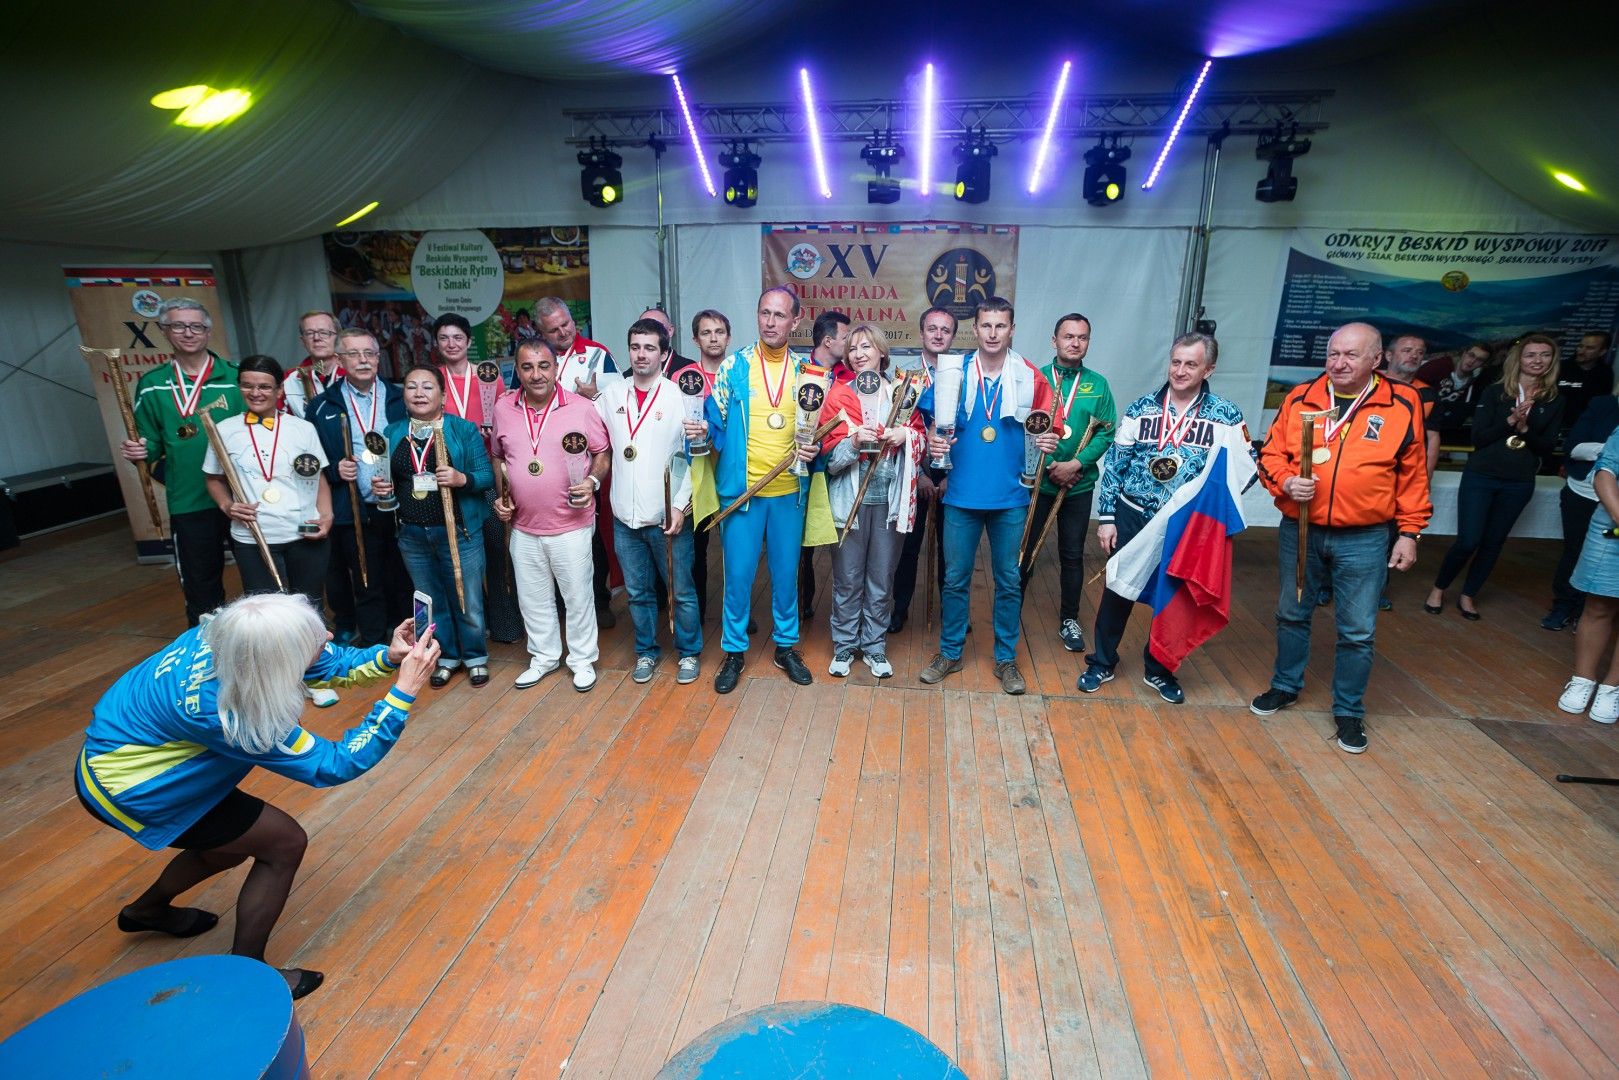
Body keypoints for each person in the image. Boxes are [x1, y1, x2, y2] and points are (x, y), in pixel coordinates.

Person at [75, 592, 440, 1000]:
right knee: (283, 844)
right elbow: (335, 763)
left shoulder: (226, 636)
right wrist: (404, 690)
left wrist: (387, 657)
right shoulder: (231, 712)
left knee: (230, 846)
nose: (329, 636)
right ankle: (248, 974)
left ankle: (147, 911)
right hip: (136, 787)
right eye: (314, 639)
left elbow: (318, 660)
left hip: (118, 754)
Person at [1250, 322, 1433, 754]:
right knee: (1291, 613)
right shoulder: (1301, 397)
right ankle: (1285, 685)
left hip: (1365, 536)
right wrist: (1285, 481)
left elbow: (1412, 474)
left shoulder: (1402, 402)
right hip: (1302, 529)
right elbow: (1270, 453)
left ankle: (1348, 710)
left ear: (1377, 359)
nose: (1339, 362)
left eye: (1351, 354)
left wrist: (1410, 532)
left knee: (1358, 630)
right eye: (1333, 354)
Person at [1077, 332, 1246, 702]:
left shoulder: (1226, 415)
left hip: (1183, 525)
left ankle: (1159, 669)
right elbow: (1115, 464)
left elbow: (1242, 472)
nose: (1180, 371)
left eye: (1191, 364)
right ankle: (1102, 661)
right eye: (1176, 362)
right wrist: (1107, 517)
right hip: (1133, 514)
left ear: (1208, 369)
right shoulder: (1142, 408)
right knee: (1118, 588)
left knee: (1173, 596)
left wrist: (1210, 517)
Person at [918, 298, 1057, 695]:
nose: (993, 333)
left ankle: (1006, 658)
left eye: (1001, 326)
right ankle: (950, 652)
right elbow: (929, 422)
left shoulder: (1030, 376)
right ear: (975, 329)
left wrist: (1049, 441)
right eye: (986, 326)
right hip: (961, 494)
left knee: (1010, 580)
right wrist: (932, 439)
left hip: (1011, 496)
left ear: (1011, 329)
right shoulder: (954, 372)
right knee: (955, 579)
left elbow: (1051, 429)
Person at [701, 285, 824, 693]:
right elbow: (714, 422)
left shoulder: (808, 373)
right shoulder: (733, 367)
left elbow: (817, 432)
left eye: (779, 315)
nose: (770, 322)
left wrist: (815, 447)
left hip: (789, 492)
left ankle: (786, 647)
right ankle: (734, 651)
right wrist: (701, 433)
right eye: (764, 313)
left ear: (795, 320)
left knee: (786, 577)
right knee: (737, 577)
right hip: (743, 494)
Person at [492, 340, 612, 692]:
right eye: (527, 367)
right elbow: (498, 455)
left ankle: (582, 659)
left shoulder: (581, 408)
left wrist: (592, 482)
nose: (536, 374)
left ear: (556, 368)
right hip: (523, 525)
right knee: (532, 598)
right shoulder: (503, 408)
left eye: (544, 366)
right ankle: (543, 657)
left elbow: (602, 452)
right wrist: (503, 495)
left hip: (571, 524)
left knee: (577, 597)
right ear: (517, 370)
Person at [121, 298, 243, 627]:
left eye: (196, 326)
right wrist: (140, 451)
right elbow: (150, 442)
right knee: (201, 587)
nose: (188, 333)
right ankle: (205, 650)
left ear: (208, 331)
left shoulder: (236, 378)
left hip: (243, 497)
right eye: (178, 326)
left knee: (258, 580)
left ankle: (265, 646)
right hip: (189, 499)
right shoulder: (153, 384)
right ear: (164, 330)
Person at [1425, 334, 1563, 619]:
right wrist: (1510, 421)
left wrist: (1525, 430)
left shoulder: (1555, 400)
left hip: (1519, 480)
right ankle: (1439, 589)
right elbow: (1479, 438)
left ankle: (1468, 595)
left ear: (1552, 360)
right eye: (1531, 355)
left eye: (1544, 355)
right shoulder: (1495, 392)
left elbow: (1547, 448)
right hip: (1482, 475)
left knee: (1493, 542)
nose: (1537, 360)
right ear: (1518, 359)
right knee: (1468, 541)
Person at [598, 319, 702, 684]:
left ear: (663, 353)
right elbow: (591, 437)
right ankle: (645, 651)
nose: (641, 355)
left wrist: (680, 506)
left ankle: (689, 653)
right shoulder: (611, 394)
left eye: (649, 348)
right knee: (637, 593)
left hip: (667, 517)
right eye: (635, 347)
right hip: (624, 518)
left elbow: (693, 457)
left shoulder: (679, 397)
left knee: (681, 591)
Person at [820, 324, 925, 678]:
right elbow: (829, 462)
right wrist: (852, 444)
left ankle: (875, 647)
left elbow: (922, 443)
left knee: (881, 578)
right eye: (852, 348)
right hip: (849, 503)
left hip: (888, 505)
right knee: (848, 579)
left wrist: (905, 435)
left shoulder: (903, 394)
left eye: (866, 346)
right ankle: (845, 645)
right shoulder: (837, 396)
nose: (859, 354)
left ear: (882, 351)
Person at [381, 364, 494, 688]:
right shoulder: (392, 432)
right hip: (412, 534)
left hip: (459, 532)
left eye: (427, 387)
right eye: (411, 387)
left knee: (467, 599)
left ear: (443, 397)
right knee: (431, 601)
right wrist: (382, 488)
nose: (419, 393)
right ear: (403, 395)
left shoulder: (462, 429)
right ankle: (445, 656)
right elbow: (386, 478)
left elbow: (486, 477)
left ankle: (475, 657)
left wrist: (461, 478)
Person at [1019, 313, 1117, 654]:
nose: (1075, 343)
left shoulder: (1098, 384)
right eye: (1068, 336)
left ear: (1088, 342)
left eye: (1082, 337)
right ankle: (1010, 614)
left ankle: (1069, 618)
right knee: (1024, 551)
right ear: (1054, 340)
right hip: (1038, 484)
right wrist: (1048, 467)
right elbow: (1023, 428)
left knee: (1072, 555)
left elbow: (1106, 432)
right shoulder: (1036, 379)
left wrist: (1076, 464)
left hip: (1077, 484)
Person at [202, 355, 333, 606]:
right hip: (252, 537)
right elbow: (213, 479)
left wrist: (327, 516)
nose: (255, 393)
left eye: (264, 386)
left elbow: (318, 478)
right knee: (266, 613)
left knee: (309, 609)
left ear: (279, 390)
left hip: (304, 533)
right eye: (247, 385)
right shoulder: (224, 430)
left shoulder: (302, 428)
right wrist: (227, 506)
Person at [308, 329, 409, 646]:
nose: (363, 360)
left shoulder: (400, 398)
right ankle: (374, 643)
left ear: (379, 357)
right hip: (353, 508)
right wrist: (334, 470)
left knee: (402, 575)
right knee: (366, 577)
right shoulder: (322, 405)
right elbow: (311, 456)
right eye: (353, 353)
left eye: (369, 353)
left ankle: (405, 637)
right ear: (339, 360)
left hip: (399, 504)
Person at [433, 312, 523, 646]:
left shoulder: (488, 376)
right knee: (459, 556)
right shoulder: (433, 379)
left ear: (469, 341)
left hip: (485, 474)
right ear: (436, 343)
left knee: (498, 550)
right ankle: (471, 626)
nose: (451, 344)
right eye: (444, 338)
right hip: (449, 477)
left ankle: (506, 624)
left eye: (458, 337)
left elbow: (503, 418)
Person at [535, 296, 619, 625]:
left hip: (585, 460)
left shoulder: (597, 354)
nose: (563, 332)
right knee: (549, 531)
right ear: (541, 332)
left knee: (591, 531)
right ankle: (558, 603)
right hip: (543, 459)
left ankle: (599, 600)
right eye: (553, 330)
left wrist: (594, 397)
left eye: (566, 324)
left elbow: (618, 409)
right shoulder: (534, 359)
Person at [889, 306, 958, 633]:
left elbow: (968, 433)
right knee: (907, 547)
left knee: (952, 550)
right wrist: (919, 474)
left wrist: (951, 477)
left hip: (954, 475)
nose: (938, 335)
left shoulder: (963, 375)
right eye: (932, 329)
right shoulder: (903, 376)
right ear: (921, 333)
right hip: (913, 472)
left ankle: (952, 612)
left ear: (953, 336)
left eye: (945, 330)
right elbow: (896, 428)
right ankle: (899, 608)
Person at [1544, 382, 1619, 631]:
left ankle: (1585, 612)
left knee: (1608, 559)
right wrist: (1610, 450)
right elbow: (1574, 447)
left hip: (1614, 507)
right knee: (1575, 551)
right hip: (1584, 492)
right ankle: (1563, 606)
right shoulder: (1603, 405)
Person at [1556, 427, 1619, 723]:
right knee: (1599, 605)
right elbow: (1604, 473)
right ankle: (1582, 680)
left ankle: (1612, 688)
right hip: (1612, 527)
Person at [800, 309, 852, 617]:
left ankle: (847, 611)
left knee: (844, 541)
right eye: (846, 338)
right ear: (828, 341)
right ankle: (802, 603)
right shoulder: (799, 372)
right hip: (806, 469)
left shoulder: (852, 377)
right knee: (801, 543)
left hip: (842, 467)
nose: (851, 344)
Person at [688, 308, 732, 625]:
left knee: (735, 549)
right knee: (696, 548)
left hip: (731, 470)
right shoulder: (683, 378)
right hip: (698, 474)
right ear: (695, 339)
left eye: (719, 332)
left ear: (728, 337)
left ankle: (737, 612)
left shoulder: (739, 374)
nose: (713, 338)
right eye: (706, 332)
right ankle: (698, 612)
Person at [1424, 341, 1494, 476]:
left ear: (1483, 364)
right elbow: (1414, 388)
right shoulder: (1440, 366)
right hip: (1423, 421)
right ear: (1463, 353)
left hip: (1446, 426)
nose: (1472, 361)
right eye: (1471, 355)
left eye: (1479, 360)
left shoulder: (1475, 381)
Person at [282, 311, 345, 420]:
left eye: (324, 332)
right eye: (309, 333)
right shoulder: (289, 379)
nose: (316, 338)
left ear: (339, 338)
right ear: (303, 341)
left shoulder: (354, 373)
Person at [1556, 331, 1613, 437]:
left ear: (1602, 352)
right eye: (1580, 346)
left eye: (1589, 348)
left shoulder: (1605, 373)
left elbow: (1601, 406)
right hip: (1554, 426)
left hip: (1584, 430)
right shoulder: (1560, 368)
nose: (1581, 351)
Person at [638, 306, 698, 375]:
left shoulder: (689, 369)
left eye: (656, 327)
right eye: (643, 328)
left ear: (670, 331)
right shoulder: (630, 374)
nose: (649, 333)